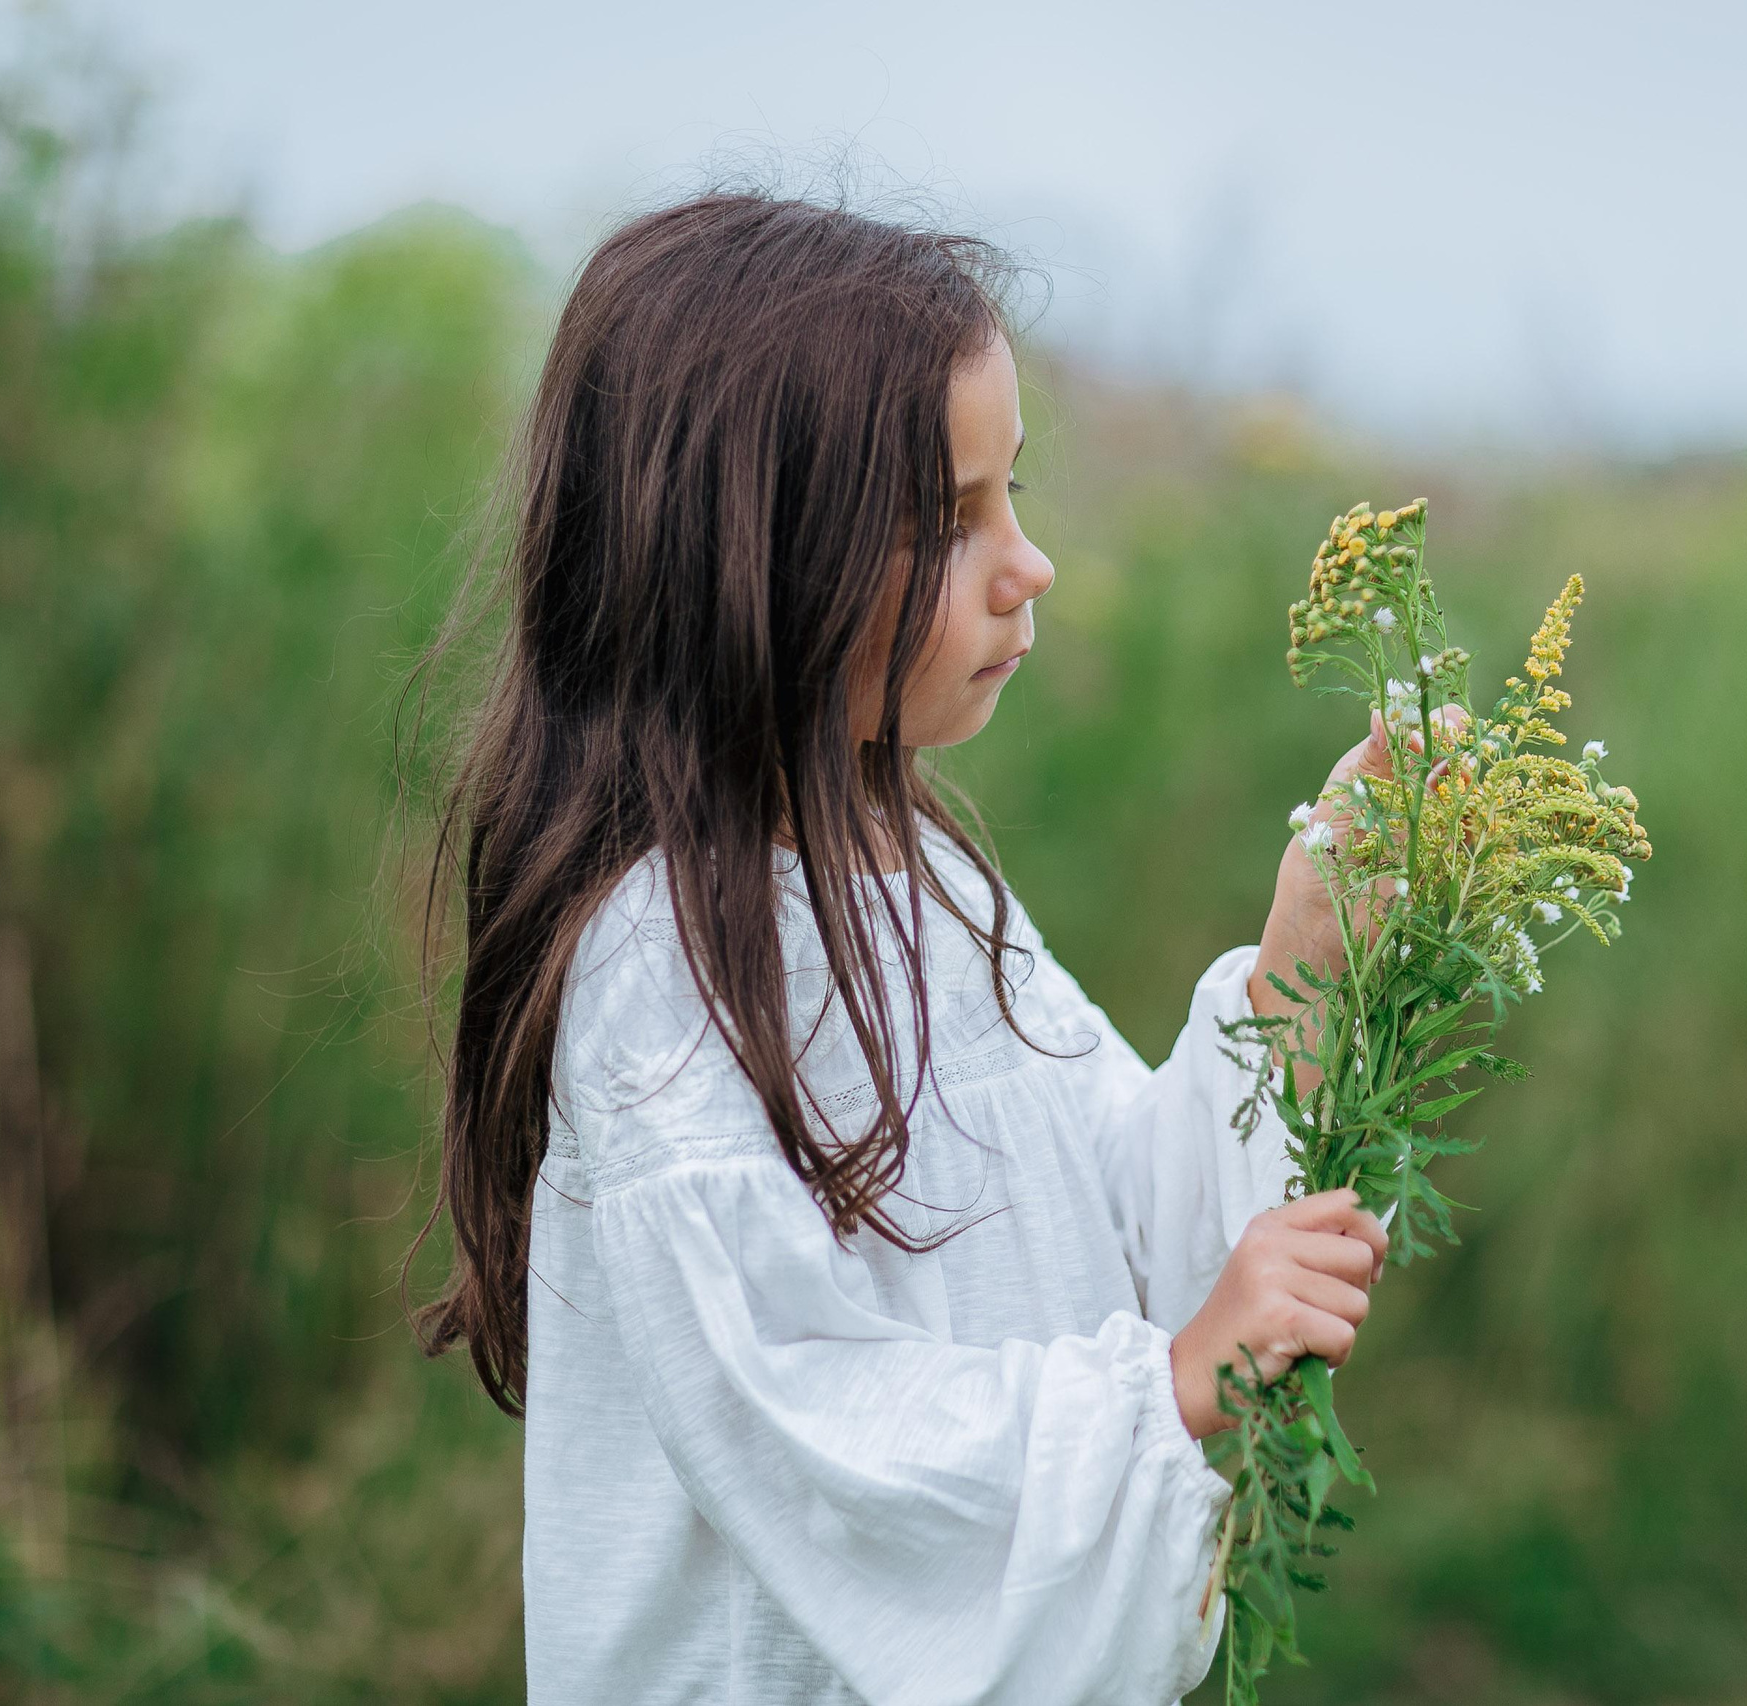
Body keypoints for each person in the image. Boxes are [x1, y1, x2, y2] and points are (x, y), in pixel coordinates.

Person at [411, 193, 1393, 1705]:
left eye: (1014, 492)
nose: (1029, 565)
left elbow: (1119, 1213)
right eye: (951, 519)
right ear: (751, 559)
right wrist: (1176, 1376)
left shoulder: (918, 878)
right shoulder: (662, 977)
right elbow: (819, 1427)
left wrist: (1297, 963)